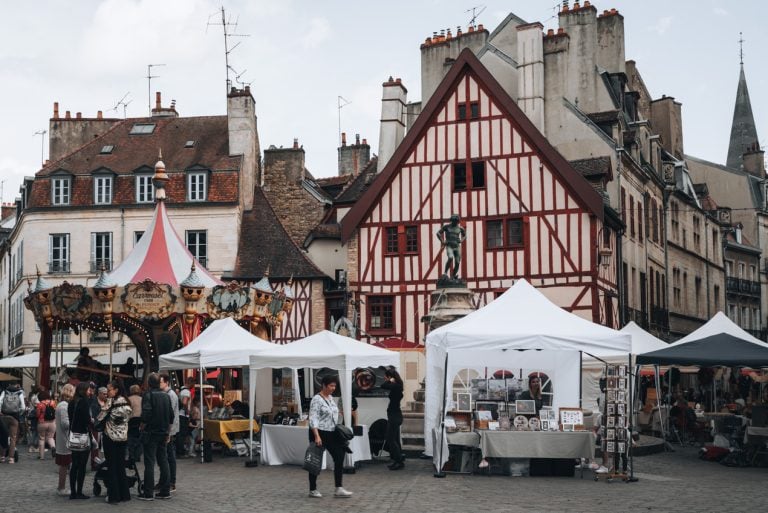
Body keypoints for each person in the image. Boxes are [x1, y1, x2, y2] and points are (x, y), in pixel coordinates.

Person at [307, 374, 352, 499]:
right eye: (331, 386)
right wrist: (316, 436)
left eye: (334, 386)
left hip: (332, 432)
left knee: (339, 456)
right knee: (315, 460)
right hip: (319, 432)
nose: (333, 388)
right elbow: (313, 418)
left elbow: (333, 414)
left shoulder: (331, 398)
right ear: (324, 385)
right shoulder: (316, 399)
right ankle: (312, 489)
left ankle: (339, 488)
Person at [138, 372, 173, 501]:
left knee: (150, 462)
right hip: (163, 432)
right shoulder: (166, 396)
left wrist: (142, 426)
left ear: (149, 383)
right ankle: (165, 491)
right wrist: (168, 432)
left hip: (151, 432)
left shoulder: (148, 395)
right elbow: (171, 416)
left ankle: (148, 493)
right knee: (163, 461)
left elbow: (146, 414)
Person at [97, 380, 133, 504]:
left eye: (109, 390)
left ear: (116, 390)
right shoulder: (127, 402)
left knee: (112, 466)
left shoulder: (111, 402)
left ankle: (114, 496)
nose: (107, 392)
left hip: (110, 437)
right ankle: (124, 494)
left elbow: (100, 417)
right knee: (120, 466)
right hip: (123, 437)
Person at [68, 382, 92, 499]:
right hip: (82, 435)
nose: (90, 392)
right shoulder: (84, 402)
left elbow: (71, 418)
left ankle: (73, 491)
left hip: (73, 435)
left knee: (74, 464)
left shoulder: (72, 402)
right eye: (88, 390)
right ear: (84, 390)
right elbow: (87, 420)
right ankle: (79, 491)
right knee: (82, 465)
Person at [381, 367, 405, 470]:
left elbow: (383, 385)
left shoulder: (396, 386)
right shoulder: (396, 386)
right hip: (394, 415)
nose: (384, 378)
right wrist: (390, 380)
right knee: (394, 439)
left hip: (395, 416)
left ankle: (399, 461)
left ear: (390, 377)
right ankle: (397, 460)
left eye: (386, 376)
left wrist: (390, 380)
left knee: (390, 439)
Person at [158, 374, 179, 493]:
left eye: (160, 382)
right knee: (164, 456)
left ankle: (171, 482)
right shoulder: (165, 394)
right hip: (167, 430)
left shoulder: (171, 395)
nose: (159, 384)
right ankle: (164, 481)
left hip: (170, 430)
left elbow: (169, 415)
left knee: (169, 456)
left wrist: (168, 432)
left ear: (166, 383)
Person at [55, 384, 75, 496]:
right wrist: (75, 420)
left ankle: (61, 487)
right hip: (65, 439)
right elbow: (65, 424)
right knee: (64, 465)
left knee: (65, 465)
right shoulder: (64, 406)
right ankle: (61, 487)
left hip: (64, 439)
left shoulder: (62, 405)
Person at [0, 381, 26, 464]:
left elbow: (0, 402)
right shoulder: (20, 393)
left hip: (4, 416)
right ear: (16, 385)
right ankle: (11, 458)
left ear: (9, 385)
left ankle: (2, 457)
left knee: (2, 436)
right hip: (14, 417)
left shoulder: (4, 392)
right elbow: (23, 407)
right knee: (13, 437)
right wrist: (19, 413)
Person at [436, 214, 466, 279]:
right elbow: (438, 233)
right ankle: (445, 273)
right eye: (454, 221)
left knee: (457, 262)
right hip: (449, 246)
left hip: (457, 246)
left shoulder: (460, 228)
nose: (455, 222)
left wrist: (461, 240)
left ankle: (453, 275)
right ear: (452, 220)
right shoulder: (446, 227)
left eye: (456, 221)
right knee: (450, 257)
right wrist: (442, 241)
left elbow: (465, 235)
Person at [35, 389, 57, 460]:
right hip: (52, 422)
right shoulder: (53, 403)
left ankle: (41, 456)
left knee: (42, 438)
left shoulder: (40, 404)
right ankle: (53, 447)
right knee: (50, 437)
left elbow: (37, 415)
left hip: (42, 423)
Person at [176, 377, 194, 457]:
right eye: (193, 383)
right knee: (182, 434)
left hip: (180, 414)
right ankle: (180, 452)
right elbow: (184, 402)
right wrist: (187, 411)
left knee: (180, 434)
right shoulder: (186, 392)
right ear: (190, 382)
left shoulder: (182, 390)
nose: (193, 386)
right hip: (183, 415)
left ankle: (179, 451)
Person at [127, 384, 143, 463]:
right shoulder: (142, 399)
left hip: (131, 420)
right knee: (139, 438)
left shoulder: (129, 399)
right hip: (140, 420)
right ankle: (137, 455)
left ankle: (131, 455)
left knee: (130, 438)